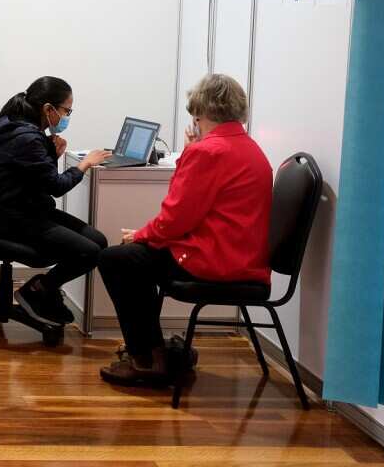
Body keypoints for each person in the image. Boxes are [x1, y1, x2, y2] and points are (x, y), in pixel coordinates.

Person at [97, 73, 273, 387]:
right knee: (134, 257)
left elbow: (177, 217)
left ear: (201, 114)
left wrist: (141, 234)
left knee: (117, 259)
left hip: (215, 262)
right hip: (244, 259)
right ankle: (156, 350)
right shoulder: (251, 148)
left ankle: (147, 360)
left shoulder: (208, 152)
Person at [0, 77, 112, 326]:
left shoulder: (21, 128)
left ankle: (43, 289)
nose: (67, 116)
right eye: (66, 110)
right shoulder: (27, 138)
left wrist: (52, 154)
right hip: (15, 218)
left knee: (98, 242)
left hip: (29, 207)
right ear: (48, 109)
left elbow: (41, 179)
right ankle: (39, 289)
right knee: (89, 251)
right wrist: (84, 164)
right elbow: (56, 186)